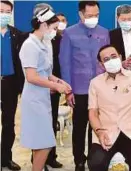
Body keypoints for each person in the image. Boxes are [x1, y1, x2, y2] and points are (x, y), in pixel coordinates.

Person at [87, 45, 131, 171]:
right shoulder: (95, 83)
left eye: (114, 57)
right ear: (101, 65)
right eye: (106, 59)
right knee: (96, 163)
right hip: (106, 133)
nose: (111, 60)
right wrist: (99, 131)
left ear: (120, 57)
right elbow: (93, 112)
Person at [59, 1, 110, 171]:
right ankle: (79, 160)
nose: (93, 18)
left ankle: (95, 160)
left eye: (96, 15)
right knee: (80, 128)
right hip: (79, 89)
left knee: (96, 127)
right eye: (89, 16)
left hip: (100, 88)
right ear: (81, 15)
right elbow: (65, 62)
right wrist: (68, 90)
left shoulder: (104, 32)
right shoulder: (69, 33)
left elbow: (107, 59)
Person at [19, 7, 71, 171]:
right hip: (34, 99)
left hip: (42, 98)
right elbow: (32, 76)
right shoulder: (30, 45)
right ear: (44, 25)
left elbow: (47, 73)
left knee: (39, 141)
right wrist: (56, 86)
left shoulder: (42, 43)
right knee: (46, 142)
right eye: (54, 28)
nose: (56, 32)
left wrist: (60, 81)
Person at [0, 0, 24, 170]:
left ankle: (5, 159)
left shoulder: (16, 34)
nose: (4, 14)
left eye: (7, 12)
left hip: (10, 84)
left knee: (8, 123)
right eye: (1, 11)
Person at [45, 12, 68, 169]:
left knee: (52, 122)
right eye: (57, 21)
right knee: (42, 124)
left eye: (63, 21)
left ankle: (51, 157)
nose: (60, 24)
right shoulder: (42, 40)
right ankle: (39, 160)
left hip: (56, 87)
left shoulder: (64, 40)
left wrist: (59, 84)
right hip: (42, 86)